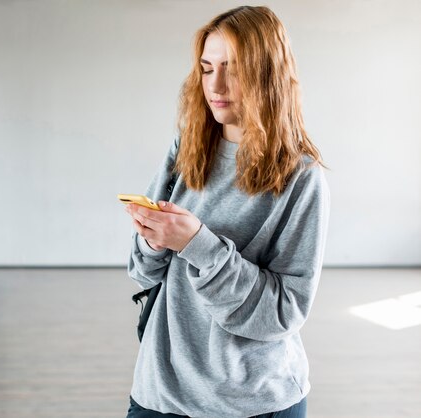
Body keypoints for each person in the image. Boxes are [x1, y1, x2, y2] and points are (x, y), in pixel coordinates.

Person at [123, 5, 330, 418]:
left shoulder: (302, 177)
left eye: (233, 69)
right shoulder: (186, 149)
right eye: (206, 68)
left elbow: (284, 310)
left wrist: (197, 244)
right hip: (161, 393)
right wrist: (152, 236)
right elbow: (142, 271)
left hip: (254, 403)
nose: (215, 85)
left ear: (267, 74)